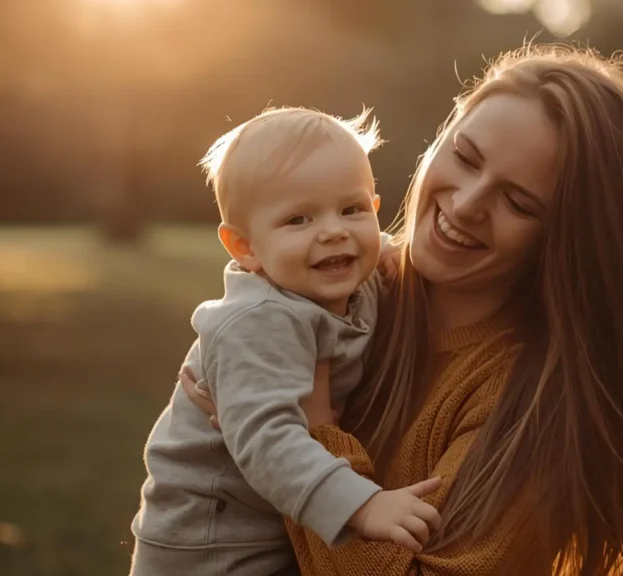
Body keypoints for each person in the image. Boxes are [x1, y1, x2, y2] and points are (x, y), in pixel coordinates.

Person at [181, 45, 623, 575]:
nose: (465, 204)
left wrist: (313, 430)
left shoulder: (532, 406)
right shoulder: (347, 294)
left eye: (517, 202)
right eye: (465, 157)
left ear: (567, 242)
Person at [131, 107, 442, 576]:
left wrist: (396, 254)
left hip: (264, 524)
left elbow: (383, 251)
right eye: (299, 219)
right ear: (245, 248)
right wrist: (362, 506)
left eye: (351, 209)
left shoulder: (353, 282)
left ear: (375, 210)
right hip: (205, 540)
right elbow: (267, 440)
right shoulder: (257, 321)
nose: (333, 230)